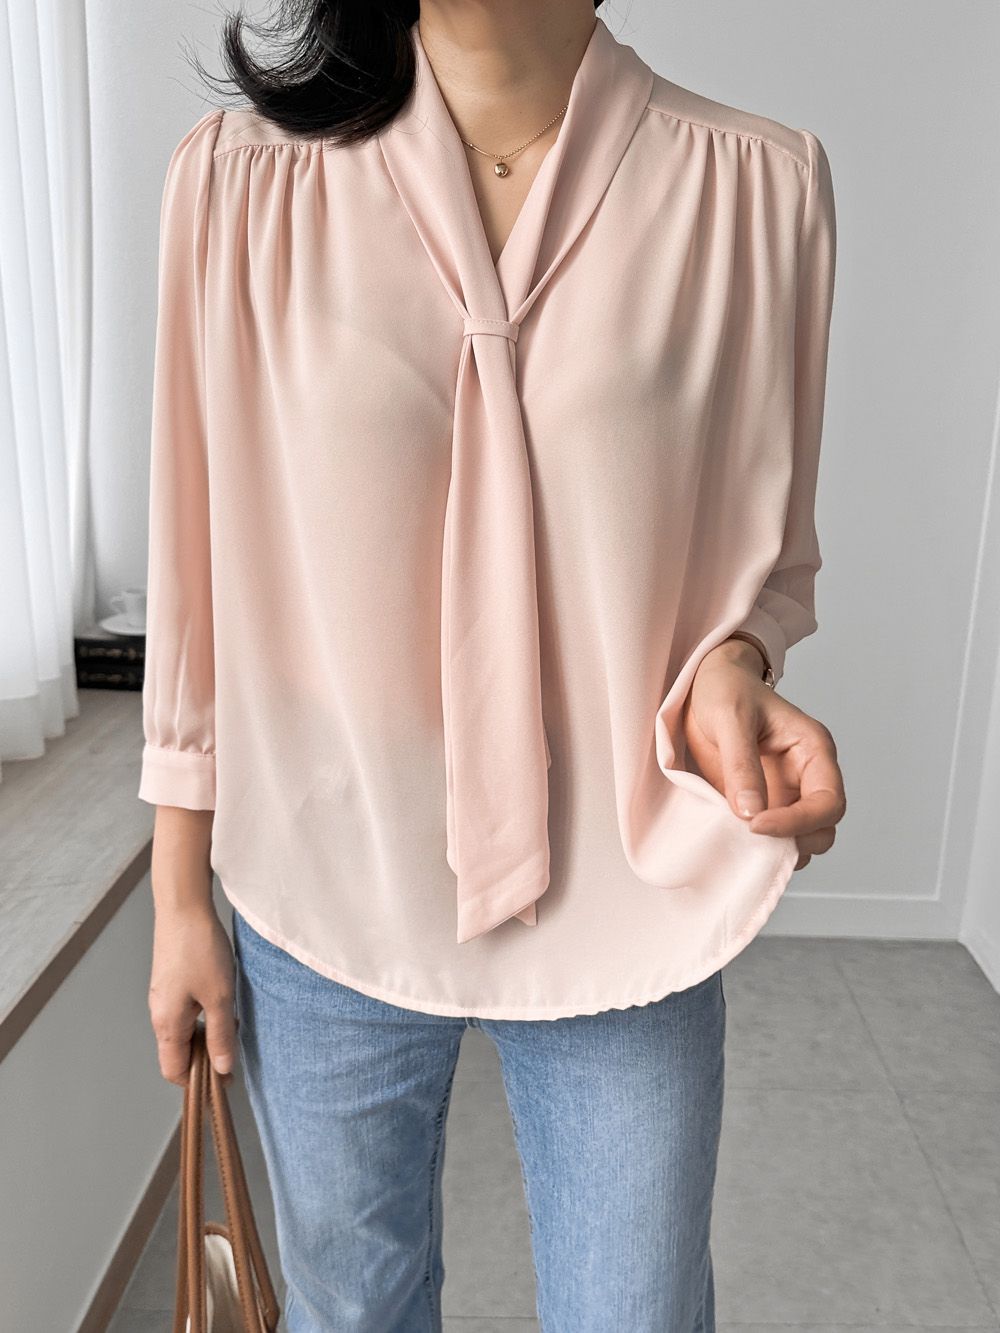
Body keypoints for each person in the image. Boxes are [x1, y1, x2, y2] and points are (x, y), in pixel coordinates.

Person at [140, 2, 846, 1329]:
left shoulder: (758, 189)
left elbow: (766, 558)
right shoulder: (240, 185)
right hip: (328, 864)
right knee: (353, 1311)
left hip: (622, 880)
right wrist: (180, 896)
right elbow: (196, 570)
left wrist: (736, 665)